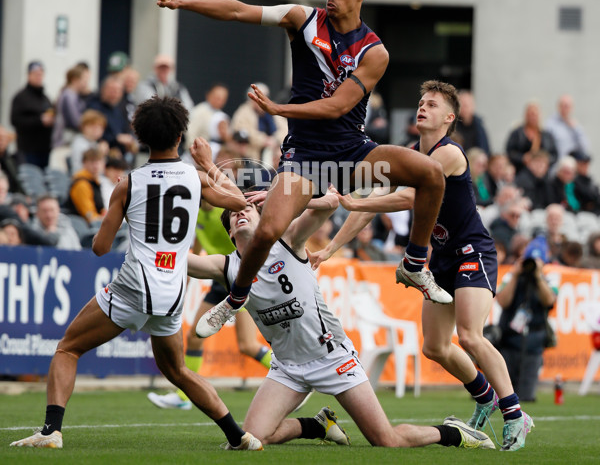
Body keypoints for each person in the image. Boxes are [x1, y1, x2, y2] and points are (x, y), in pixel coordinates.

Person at [157, 0, 448, 335]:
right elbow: (236, 10)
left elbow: (338, 106)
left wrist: (280, 108)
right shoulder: (302, 19)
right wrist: (183, 3)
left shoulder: (374, 51)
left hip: (351, 153)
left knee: (431, 174)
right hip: (306, 157)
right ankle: (236, 298)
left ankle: (414, 262)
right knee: (266, 232)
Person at [10, 96, 262, 451]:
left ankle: (51, 431)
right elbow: (241, 201)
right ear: (179, 135)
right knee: (177, 372)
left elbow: (99, 247)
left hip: (134, 286)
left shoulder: (128, 184)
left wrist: (125, 209)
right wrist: (210, 165)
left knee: (67, 348)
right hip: (173, 292)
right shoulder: (194, 177)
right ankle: (239, 437)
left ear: (141, 136)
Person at [310, 81, 534, 451]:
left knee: (470, 335)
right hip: (442, 258)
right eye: (420, 102)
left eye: (431, 104)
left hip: (472, 251)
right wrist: (331, 248)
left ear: (449, 118)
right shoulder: (413, 155)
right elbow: (376, 196)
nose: (422, 108)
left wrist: (356, 202)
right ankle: (485, 396)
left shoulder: (449, 154)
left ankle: (514, 415)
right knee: (435, 346)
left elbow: (405, 196)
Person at [185, 188, 494, 450]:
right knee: (251, 438)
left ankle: (456, 433)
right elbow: (181, 261)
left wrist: (279, 197)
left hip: (332, 358)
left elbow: (330, 201)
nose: (241, 214)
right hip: (287, 368)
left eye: (249, 209)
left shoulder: (289, 239)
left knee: (386, 440)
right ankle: (318, 426)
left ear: (264, 216)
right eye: (235, 215)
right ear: (229, 232)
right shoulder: (225, 266)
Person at [147, 191, 271, 411]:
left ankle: (294, 377)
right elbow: (193, 251)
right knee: (194, 336)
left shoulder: (225, 214)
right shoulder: (193, 214)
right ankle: (184, 396)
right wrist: (182, 288)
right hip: (217, 276)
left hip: (238, 277)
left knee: (247, 345)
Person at [496, 236, 559, 401]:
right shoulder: (512, 275)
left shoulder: (550, 277)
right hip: (509, 341)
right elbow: (502, 301)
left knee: (526, 397)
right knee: (504, 395)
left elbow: (549, 300)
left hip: (534, 344)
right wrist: (516, 275)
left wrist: (538, 276)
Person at [10, 61, 55, 168]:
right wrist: (39, 120)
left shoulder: (45, 98)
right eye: (36, 74)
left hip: (45, 149)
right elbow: (15, 120)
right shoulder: (21, 97)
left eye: (40, 74)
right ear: (29, 75)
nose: (38, 77)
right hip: (28, 150)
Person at [230, 83, 286, 163]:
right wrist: (264, 140)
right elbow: (242, 131)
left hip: (274, 153)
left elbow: (285, 129)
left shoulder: (274, 107)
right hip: (252, 156)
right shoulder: (243, 111)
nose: (259, 101)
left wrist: (275, 140)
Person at [505, 101, 557, 174]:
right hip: (521, 171)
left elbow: (554, 155)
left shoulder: (546, 135)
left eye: (535, 114)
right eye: (530, 114)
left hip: (542, 173)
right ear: (525, 115)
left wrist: (544, 160)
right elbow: (509, 152)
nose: (533, 117)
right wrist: (522, 158)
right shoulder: (517, 133)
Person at [187, 83, 231, 158]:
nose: (219, 101)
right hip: (198, 154)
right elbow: (190, 137)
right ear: (208, 95)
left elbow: (228, 139)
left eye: (223, 99)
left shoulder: (222, 116)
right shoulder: (199, 112)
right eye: (217, 97)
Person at [64, 148, 107, 225]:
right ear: (84, 163)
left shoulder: (95, 181)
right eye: (92, 162)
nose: (96, 166)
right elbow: (89, 216)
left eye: (98, 161)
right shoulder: (81, 184)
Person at [545, 94, 591, 162]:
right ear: (558, 106)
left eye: (567, 106)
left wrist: (576, 129)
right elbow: (547, 146)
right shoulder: (551, 124)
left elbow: (585, 147)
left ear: (572, 108)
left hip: (572, 165)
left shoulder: (575, 126)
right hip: (557, 164)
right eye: (562, 106)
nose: (564, 109)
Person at [70, 109, 110, 174]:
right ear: (83, 127)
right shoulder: (79, 143)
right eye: (92, 126)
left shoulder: (94, 143)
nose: (96, 129)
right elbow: (81, 168)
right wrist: (100, 152)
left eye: (100, 127)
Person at [454, 90, 490, 154]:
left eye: (466, 105)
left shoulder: (479, 125)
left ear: (473, 105)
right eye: (461, 105)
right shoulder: (453, 125)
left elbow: (485, 149)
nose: (463, 108)